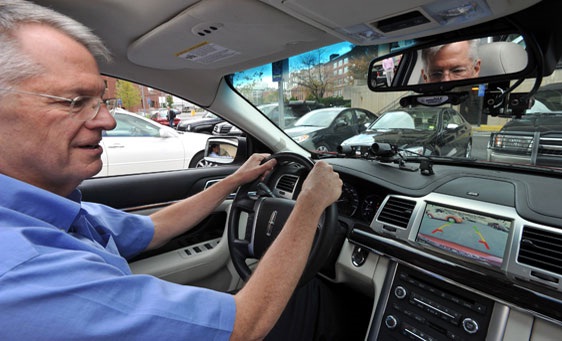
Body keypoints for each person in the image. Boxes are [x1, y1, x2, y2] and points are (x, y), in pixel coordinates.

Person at [0, 1, 343, 340]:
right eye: (74, 101)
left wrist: (235, 179)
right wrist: (310, 204)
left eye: (101, 100)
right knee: (311, 297)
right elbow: (244, 327)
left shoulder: (49, 211)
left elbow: (156, 227)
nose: (108, 120)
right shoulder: (20, 272)